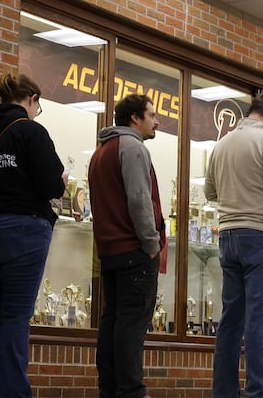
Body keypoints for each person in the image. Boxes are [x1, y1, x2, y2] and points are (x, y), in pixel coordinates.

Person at [0, 73, 66, 397]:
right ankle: (12, 392)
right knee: (16, 318)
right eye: (38, 106)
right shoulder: (30, 131)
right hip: (23, 232)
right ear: (31, 98)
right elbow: (53, 186)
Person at [204, 91, 263, 398]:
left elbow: (209, 191)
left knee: (231, 320)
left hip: (228, 235)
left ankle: (225, 392)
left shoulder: (223, 143)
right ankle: (259, 393)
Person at [88, 93, 166, 398]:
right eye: (152, 115)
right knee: (132, 327)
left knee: (113, 323)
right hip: (134, 250)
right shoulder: (132, 147)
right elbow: (139, 200)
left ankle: (110, 389)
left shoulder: (102, 150)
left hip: (109, 251)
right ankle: (132, 391)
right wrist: (152, 244)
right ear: (135, 118)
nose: (156, 121)